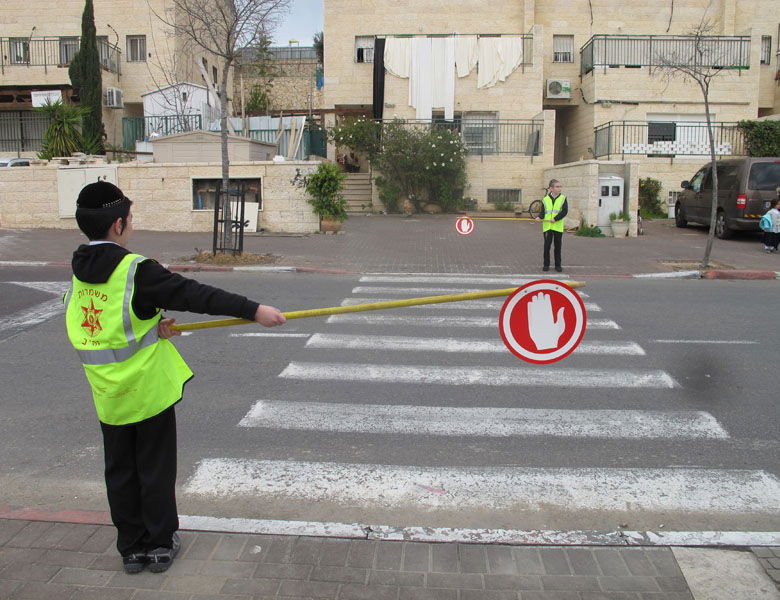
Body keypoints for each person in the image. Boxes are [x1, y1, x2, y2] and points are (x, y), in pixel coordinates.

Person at [64, 181, 286, 574]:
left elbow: (102, 328)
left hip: (108, 395)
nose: (131, 225)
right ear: (118, 225)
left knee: (120, 472)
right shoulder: (135, 270)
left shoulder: (80, 272)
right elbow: (194, 294)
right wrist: (254, 310)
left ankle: (131, 549)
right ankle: (160, 545)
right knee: (154, 470)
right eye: (130, 218)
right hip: (147, 391)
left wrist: (151, 325)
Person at [535, 179, 568, 272]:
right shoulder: (545, 199)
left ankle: (558, 265)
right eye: (557, 187)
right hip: (547, 227)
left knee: (558, 247)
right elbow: (543, 212)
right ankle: (546, 265)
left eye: (560, 186)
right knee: (547, 247)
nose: (559, 188)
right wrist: (539, 217)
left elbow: (564, 211)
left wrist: (555, 218)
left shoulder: (563, 198)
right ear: (551, 188)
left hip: (557, 227)